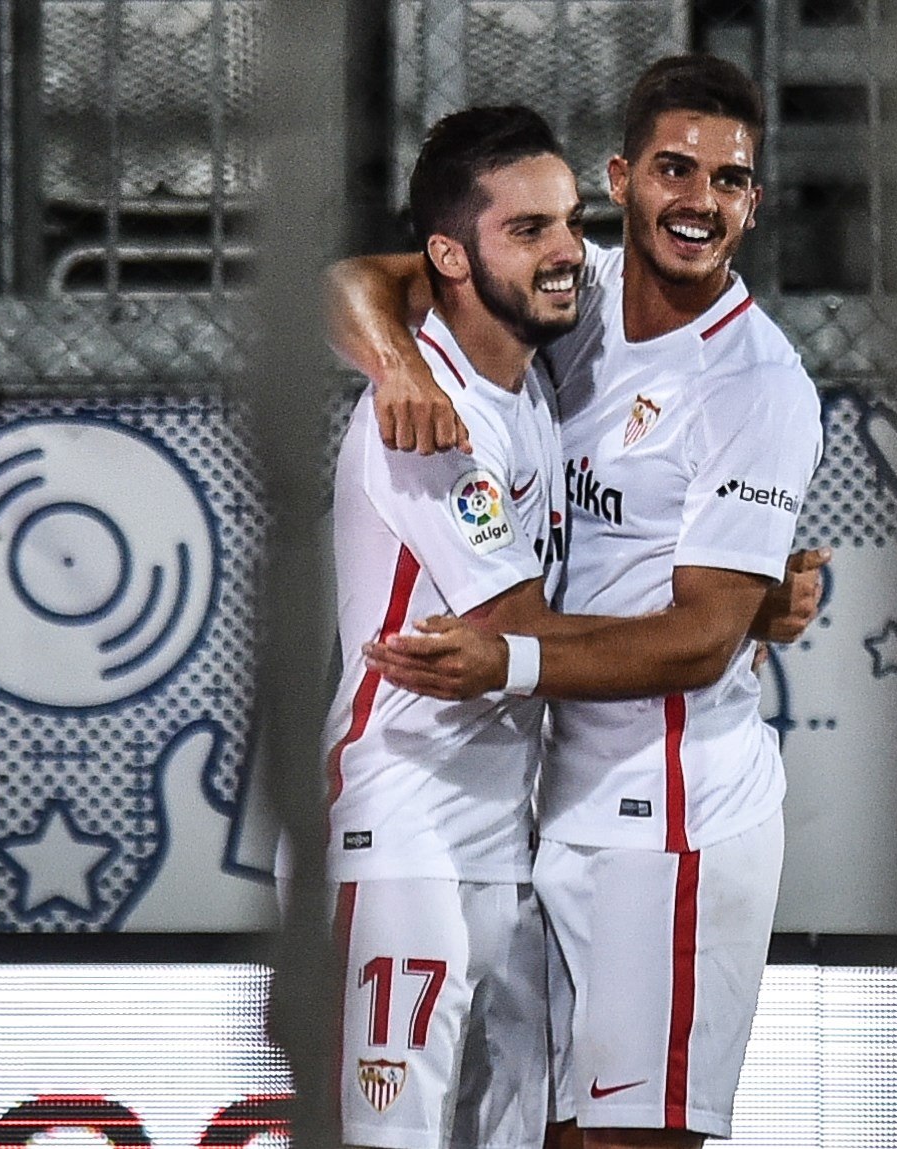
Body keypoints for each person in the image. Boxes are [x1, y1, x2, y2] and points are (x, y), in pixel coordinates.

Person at [331, 56, 826, 1149]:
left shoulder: (757, 384)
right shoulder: (569, 291)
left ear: (756, 200)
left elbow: (698, 639)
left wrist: (745, 610)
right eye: (674, 169)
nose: (700, 200)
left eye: (730, 180)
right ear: (624, 179)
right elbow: (358, 279)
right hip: (539, 811)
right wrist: (393, 367)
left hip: (673, 817)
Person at [287, 104, 581, 1149]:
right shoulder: (425, 417)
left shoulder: (528, 380)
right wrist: (701, 633)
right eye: (531, 230)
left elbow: (358, 278)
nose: (567, 255)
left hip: (501, 833)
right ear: (450, 256)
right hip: (399, 828)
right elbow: (524, 633)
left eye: (571, 223)